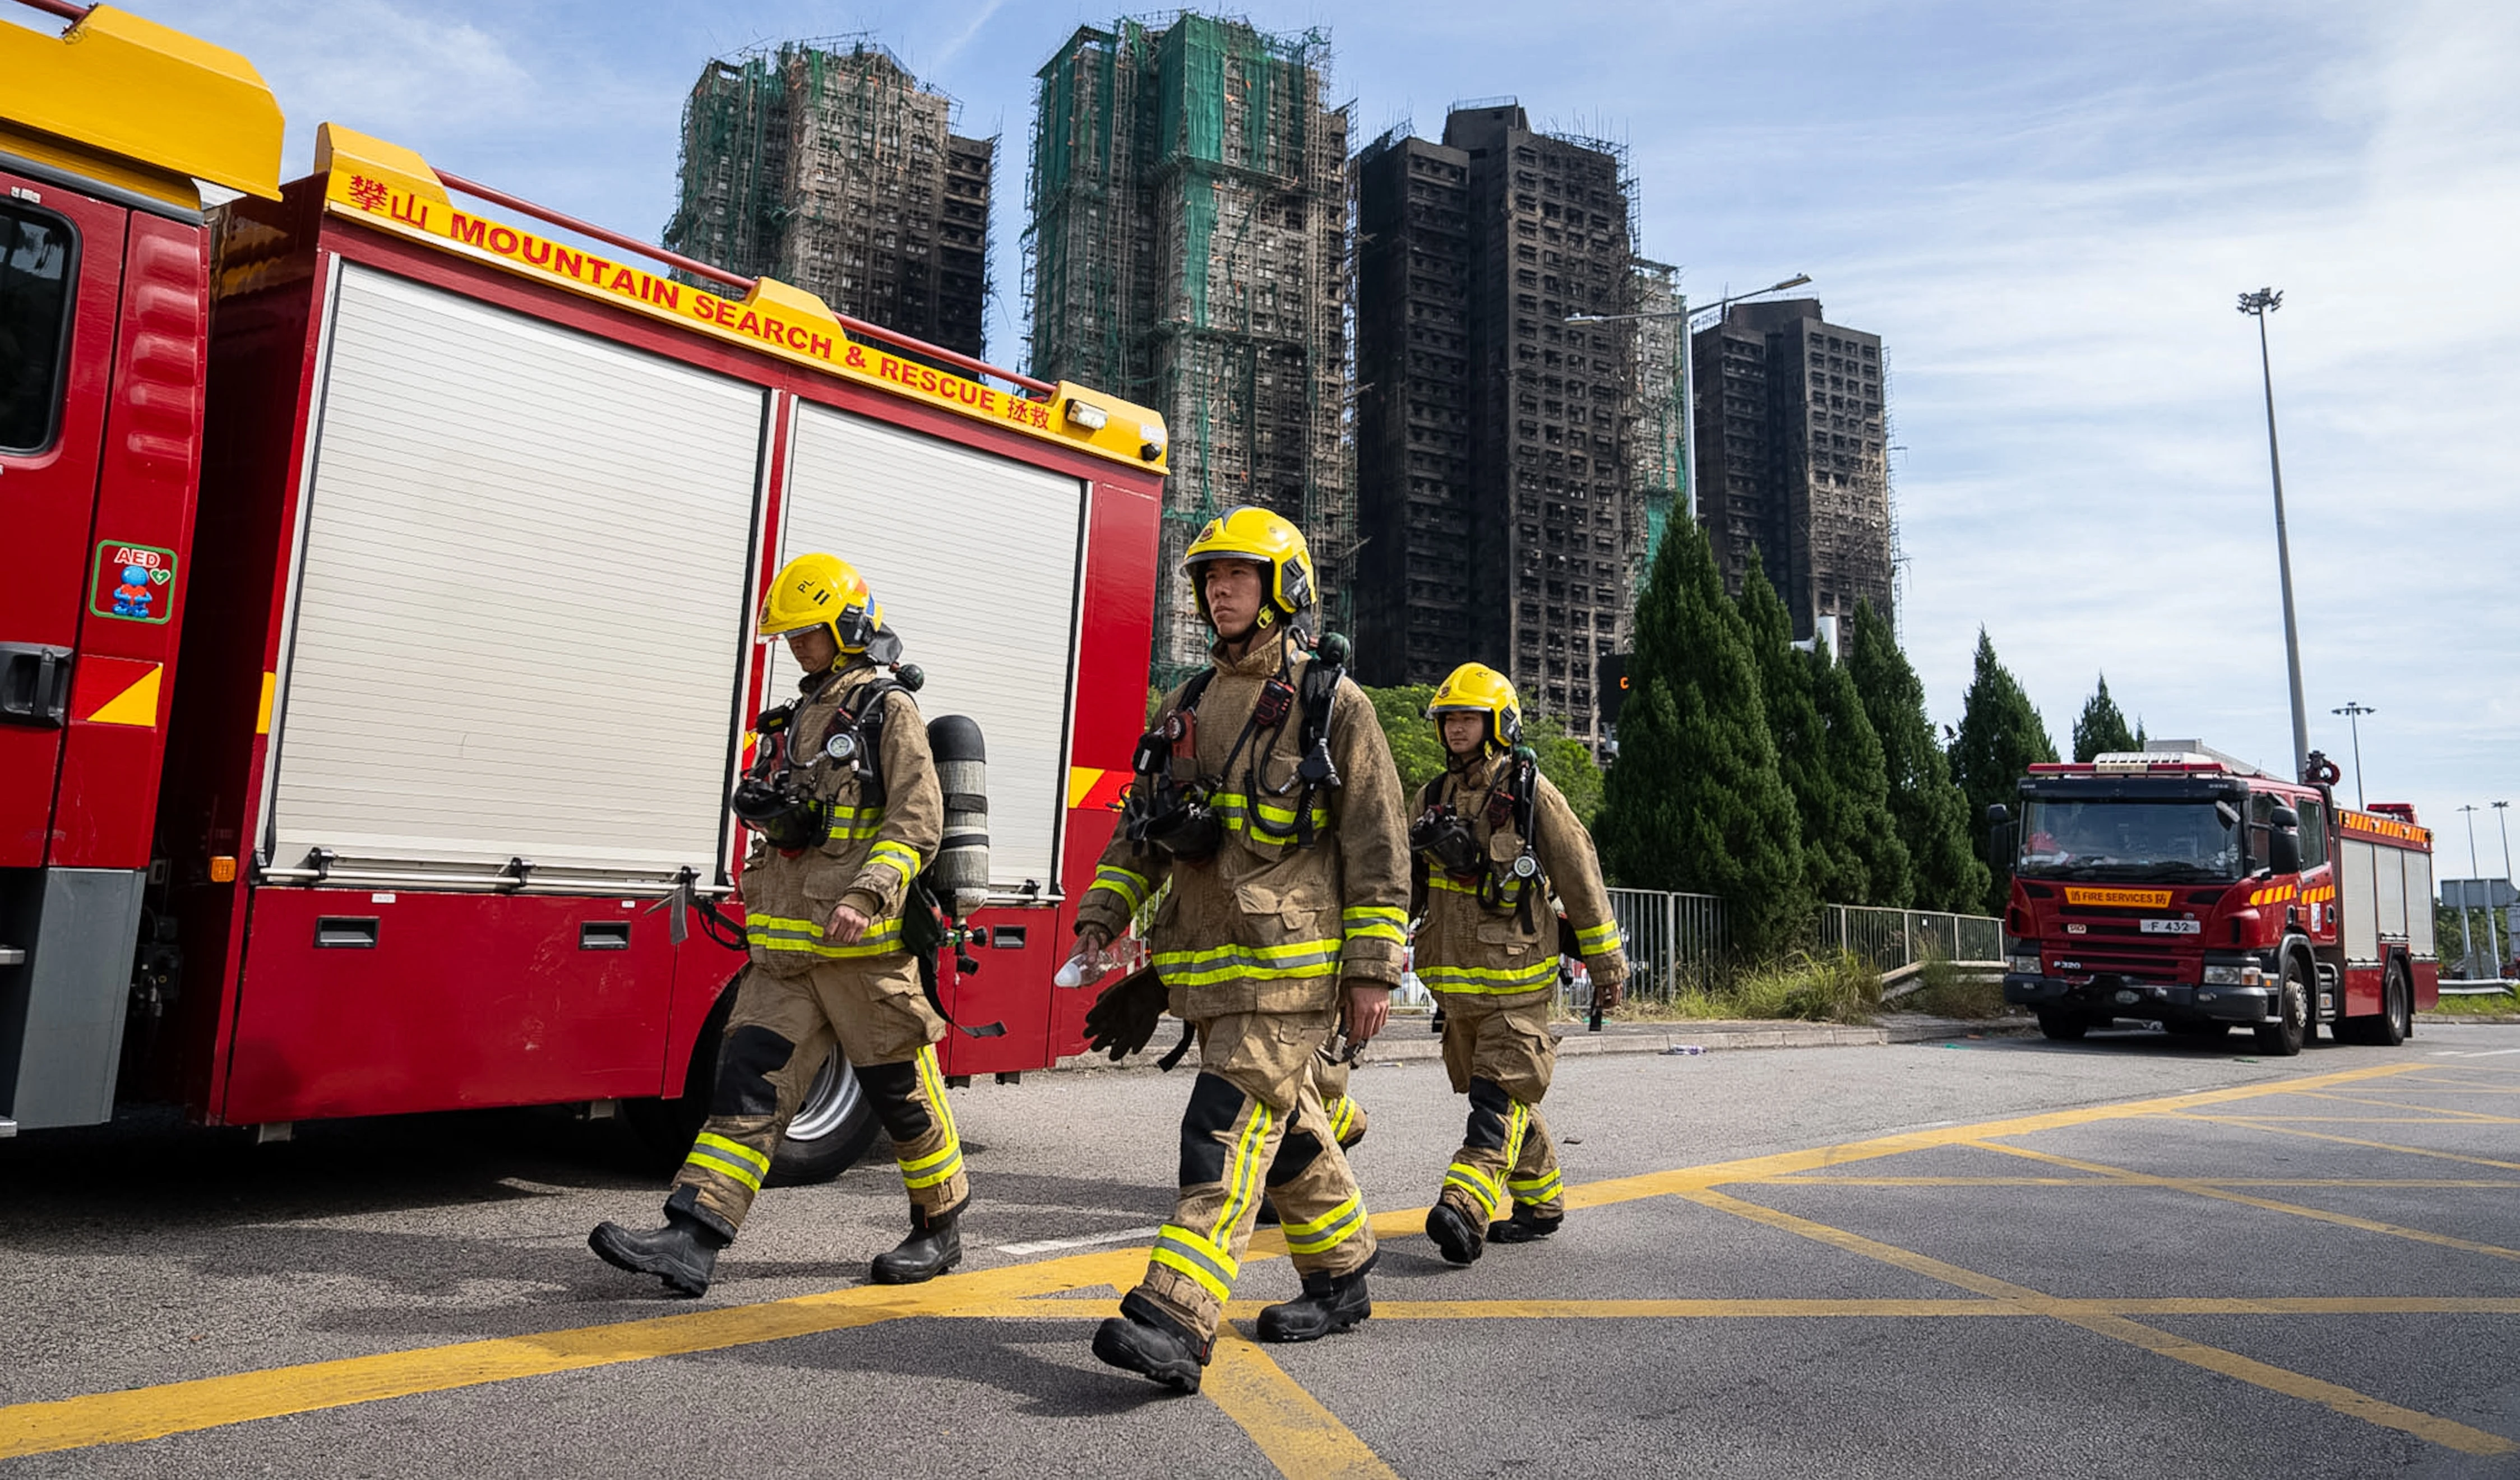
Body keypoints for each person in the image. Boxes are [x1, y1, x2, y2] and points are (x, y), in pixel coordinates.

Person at [1065, 506, 1409, 1394]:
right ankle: (1341, 1274)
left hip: (1290, 973)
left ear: (1283, 588)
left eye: (1237, 576)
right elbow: (1141, 830)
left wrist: (1372, 970)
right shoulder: (1182, 703)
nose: (1217, 590)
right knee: (1286, 1131)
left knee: (1218, 1131)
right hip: (1212, 968)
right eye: (1208, 578)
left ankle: (1177, 1318)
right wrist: (1105, 914)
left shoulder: (1333, 703)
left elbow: (1376, 842)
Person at [590, 553, 968, 1296]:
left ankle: (939, 1226)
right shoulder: (798, 717)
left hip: (866, 956)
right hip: (787, 955)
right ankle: (691, 1236)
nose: (796, 647)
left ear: (848, 627)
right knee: (745, 1089)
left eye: (808, 633)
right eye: (788, 636)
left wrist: (866, 895)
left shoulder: (886, 710)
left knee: (903, 1098)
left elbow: (916, 819)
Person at [1408, 662, 1626, 1265]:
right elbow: (1401, 886)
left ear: (1498, 723)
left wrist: (1606, 965)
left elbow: (1580, 876)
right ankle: (1541, 1203)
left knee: (1494, 1100)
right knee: (1504, 1099)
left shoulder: (1531, 795)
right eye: (1448, 718)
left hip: (1517, 986)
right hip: (1453, 988)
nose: (1455, 728)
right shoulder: (1429, 797)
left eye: (1467, 717)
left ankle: (1465, 1205)